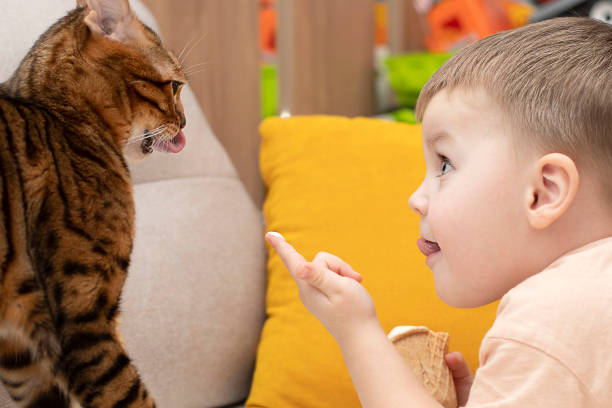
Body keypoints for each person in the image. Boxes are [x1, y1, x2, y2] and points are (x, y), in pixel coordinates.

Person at [265, 17, 612, 407]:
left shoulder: (546, 317)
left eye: (444, 164)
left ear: (544, 191)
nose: (416, 197)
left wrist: (356, 330)